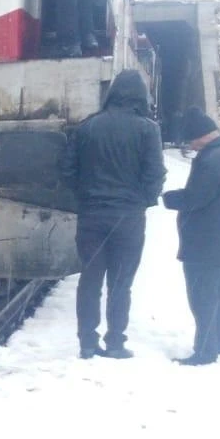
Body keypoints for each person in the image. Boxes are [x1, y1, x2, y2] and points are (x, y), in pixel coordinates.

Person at [60, 69, 165, 359]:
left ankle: (87, 342)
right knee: (121, 282)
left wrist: (85, 197)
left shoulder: (87, 127)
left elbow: (67, 171)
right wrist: (143, 200)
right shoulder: (148, 129)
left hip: (92, 216)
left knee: (90, 278)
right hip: (129, 218)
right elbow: (155, 173)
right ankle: (116, 341)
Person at [161, 108, 220, 365]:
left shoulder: (213, 159)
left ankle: (205, 351)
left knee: (202, 297)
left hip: (204, 240)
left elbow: (196, 197)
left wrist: (169, 198)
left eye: (191, 140)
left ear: (202, 136)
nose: (190, 145)